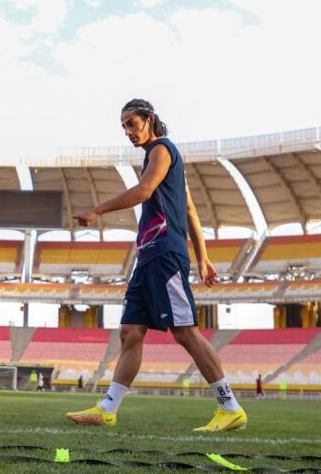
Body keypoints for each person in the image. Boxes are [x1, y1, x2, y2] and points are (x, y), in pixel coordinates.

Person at [65, 99, 247, 432]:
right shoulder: (164, 163)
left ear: (149, 119)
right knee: (131, 332)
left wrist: (97, 210)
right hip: (148, 256)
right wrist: (204, 258)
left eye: (131, 123)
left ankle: (229, 406)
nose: (127, 132)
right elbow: (190, 210)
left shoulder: (162, 150)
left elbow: (144, 190)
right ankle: (108, 408)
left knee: (185, 331)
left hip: (165, 254)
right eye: (123, 126)